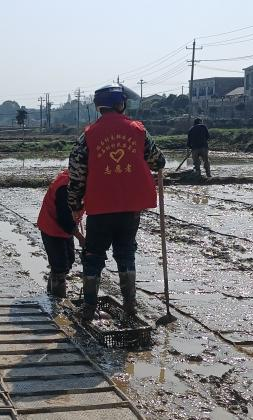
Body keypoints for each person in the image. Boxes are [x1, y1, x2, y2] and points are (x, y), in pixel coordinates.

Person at [67, 83, 166, 321]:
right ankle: (130, 306)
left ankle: (88, 308)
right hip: (130, 208)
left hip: (100, 207)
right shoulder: (138, 130)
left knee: (93, 256)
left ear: (98, 107)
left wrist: (74, 204)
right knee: (126, 253)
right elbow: (158, 161)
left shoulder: (88, 135)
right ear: (120, 104)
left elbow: (76, 173)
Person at [37, 169, 78, 298]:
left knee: (69, 260)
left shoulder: (78, 180)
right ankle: (57, 301)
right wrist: (81, 238)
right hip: (51, 226)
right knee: (60, 265)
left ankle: (51, 294)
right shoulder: (65, 187)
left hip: (65, 227)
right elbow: (65, 219)